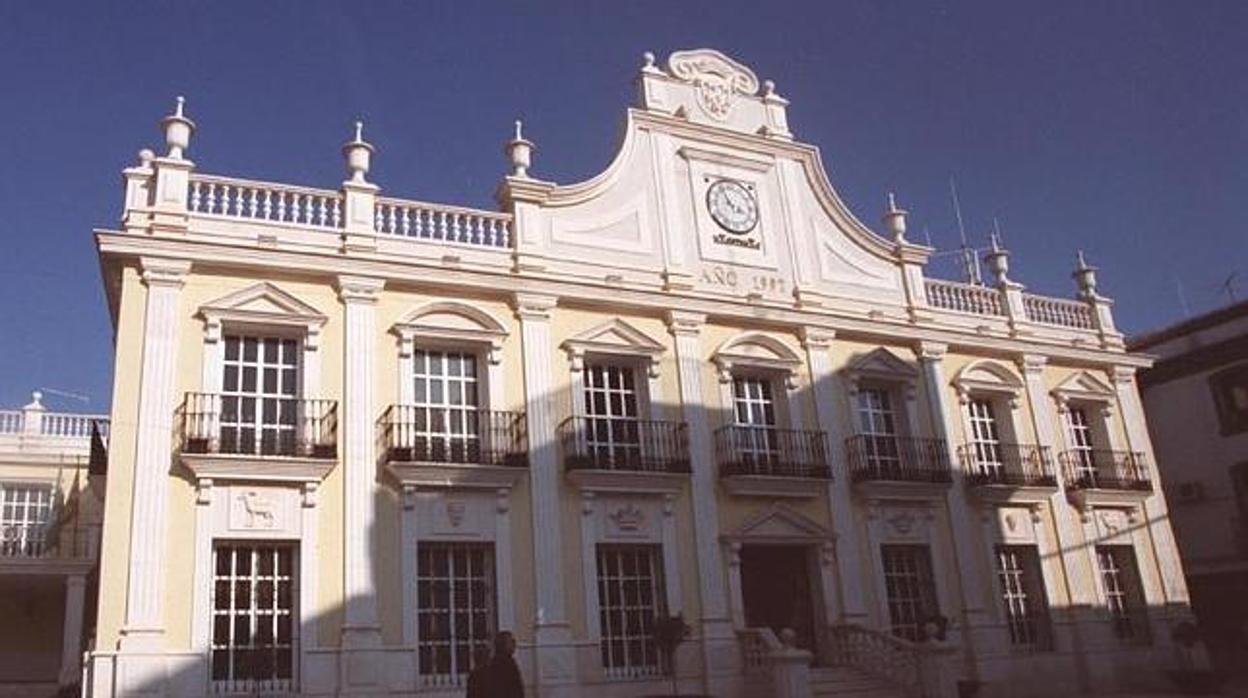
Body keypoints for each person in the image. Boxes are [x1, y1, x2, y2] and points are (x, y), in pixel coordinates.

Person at [486, 630, 524, 697]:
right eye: (512, 642)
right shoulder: (507, 665)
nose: (515, 644)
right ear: (503, 645)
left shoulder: (493, 663)